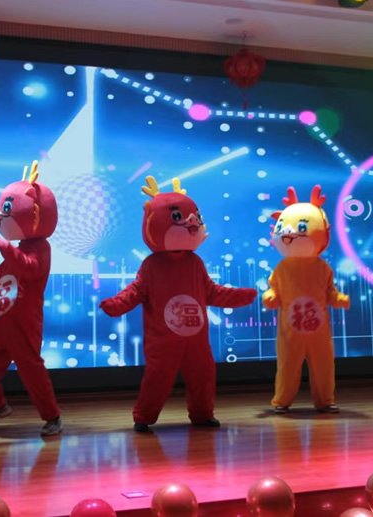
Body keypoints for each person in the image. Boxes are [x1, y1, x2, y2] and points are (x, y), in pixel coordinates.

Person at [100, 176, 257, 433]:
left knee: (203, 375)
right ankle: (144, 416)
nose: (193, 222)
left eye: (196, 216)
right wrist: (115, 304)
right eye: (177, 216)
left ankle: (203, 414)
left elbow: (211, 292)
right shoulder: (152, 266)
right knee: (157, 378)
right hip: (162, 341)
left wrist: (241, 296)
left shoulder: (195, 263)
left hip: (196, 339)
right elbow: (136, 291)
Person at [0, 161, 62, 437]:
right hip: (0, 322)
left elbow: (32, 269)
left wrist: (6, 248)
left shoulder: (40, 247)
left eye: (7, 208)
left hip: (23, 323)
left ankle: (52, 416)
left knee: (30, 368)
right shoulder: (19, 249)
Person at [262, 185, 350, 414]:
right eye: (282, 226)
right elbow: (274, 288)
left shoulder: (322, 267)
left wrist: (338, 298)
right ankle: (282, 401)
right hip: (290, 331)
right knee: (287, 366)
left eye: (302, 227)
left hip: (318, 331)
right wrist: (271, 296)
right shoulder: (282, 268)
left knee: (323, 366)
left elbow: (329, 291)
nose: (288, 232)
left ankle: (325, 400)